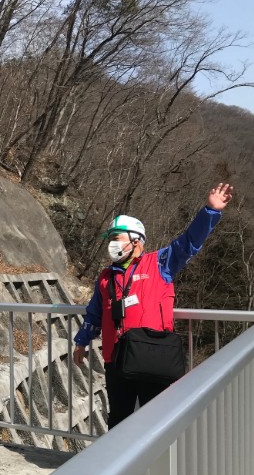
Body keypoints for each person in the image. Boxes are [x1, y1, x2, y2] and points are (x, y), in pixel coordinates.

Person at [72, 183, 234, 428]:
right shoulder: (106, 277)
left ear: (136, 241)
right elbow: (95, 314)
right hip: (116, 358)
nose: (112, 244)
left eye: (117, 238)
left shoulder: (160, 263)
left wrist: (210, 211)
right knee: (118, 419)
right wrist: (81, 342)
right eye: (110, 239)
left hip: (153, 355)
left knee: (156, 422)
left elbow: (189, 243)